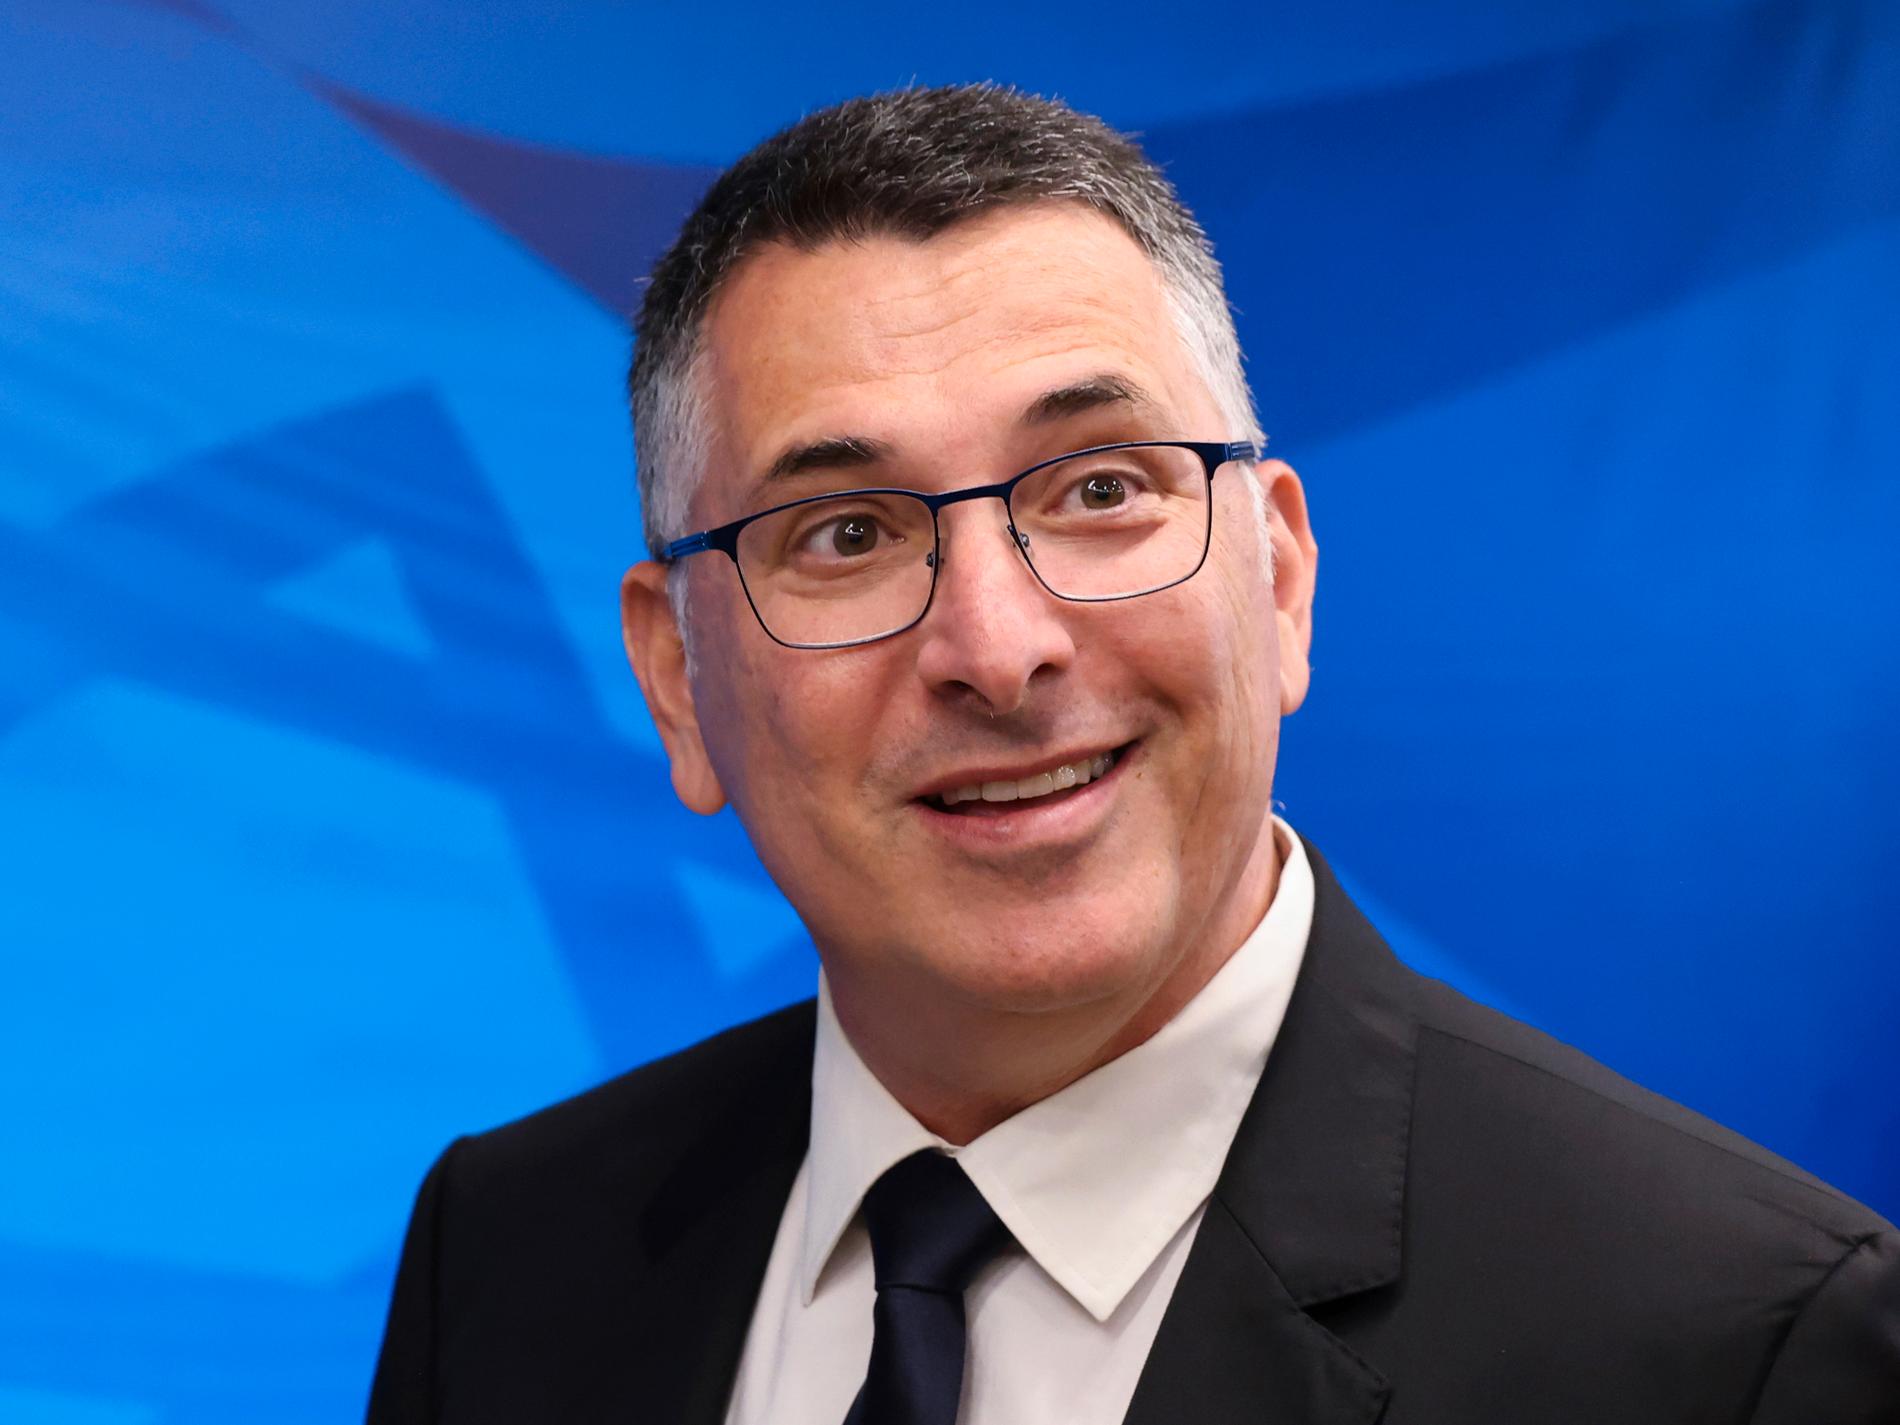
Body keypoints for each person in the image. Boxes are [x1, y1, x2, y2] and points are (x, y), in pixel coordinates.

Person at [366, 84, 1899, 1424]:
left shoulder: (1733, 1342)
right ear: (677, 681)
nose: (997, 646)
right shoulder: (505, 1254)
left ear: (1279, 580)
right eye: (845, 532)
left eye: (1100, 489)